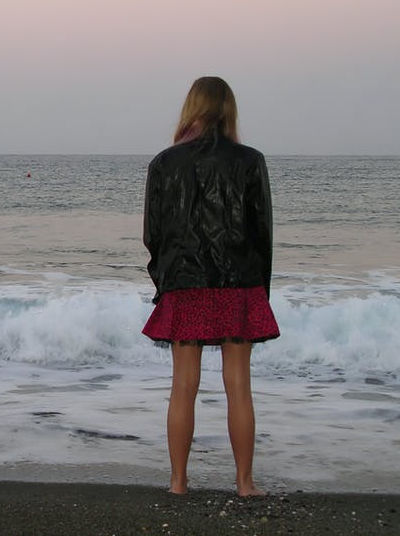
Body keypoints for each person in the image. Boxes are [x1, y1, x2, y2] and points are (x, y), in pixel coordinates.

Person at [142, 76, 279, 497]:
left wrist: (164, 285)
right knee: (238, 384)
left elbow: (154, 234)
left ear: (191, 109)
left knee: (184, 385)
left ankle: (178, 482)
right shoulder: (250, 160)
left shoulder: (164, 163)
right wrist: (261, 291)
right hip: (239, 283)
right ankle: (244, 483)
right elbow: (262, 231)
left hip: (185, 284)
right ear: (229, 111)